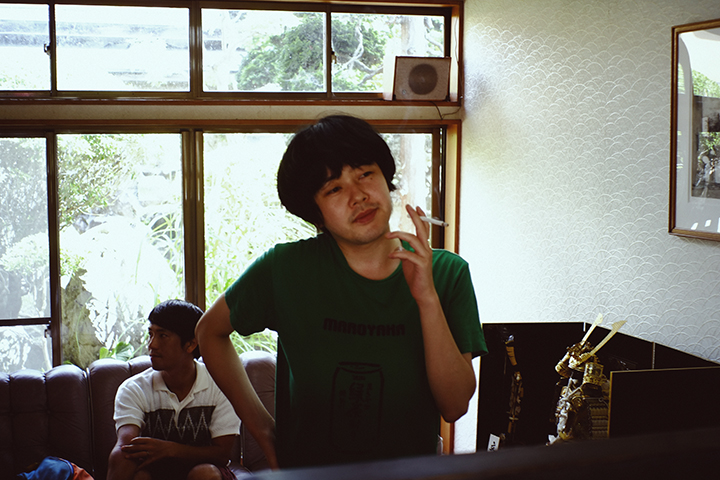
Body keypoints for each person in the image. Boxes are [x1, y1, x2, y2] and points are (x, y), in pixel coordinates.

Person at [196, 114, 487, 469]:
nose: (358, 196)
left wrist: (427, 300)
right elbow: (208, 331)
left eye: (365, 174)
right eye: (334, 189)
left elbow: (454, 406)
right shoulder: (287, 268)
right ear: (315, 212)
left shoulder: (446, 273)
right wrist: (262, 429)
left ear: (386, 179)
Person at [108, 299, 240, 480]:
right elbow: (126, 446)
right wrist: (125, 453)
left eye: (162, 336)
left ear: (190, 344)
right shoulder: (134, 388)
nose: (152, 345)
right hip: (157, 470)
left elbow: (222, 454)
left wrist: (171, 449)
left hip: (207, 470)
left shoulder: (220, 385)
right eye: (150, 334)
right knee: (138, 473)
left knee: (204, 474)